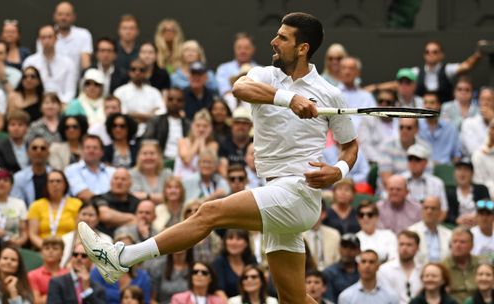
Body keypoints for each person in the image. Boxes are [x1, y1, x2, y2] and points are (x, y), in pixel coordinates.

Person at [79, 12, 358, 304]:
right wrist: (290, 99)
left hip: (298, 193)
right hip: (276, 190)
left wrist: (337, 172)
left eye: (283, 38)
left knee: (209, 212)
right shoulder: (264, 76)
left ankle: (122, 257)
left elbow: (350, 146)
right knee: (293, 299)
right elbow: (240, 88)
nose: (273, 41)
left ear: (303, 48)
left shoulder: (329, 93)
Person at [27, 170, 82, 249]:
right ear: (46, 185)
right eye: (51, 181)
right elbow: (32, 234)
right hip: (42, 250)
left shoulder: (77, 204)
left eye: (58, 181)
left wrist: (66, 249)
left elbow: (79, 233)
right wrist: (47, 249)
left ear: (65, 184)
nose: (55, 184)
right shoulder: (36, 205)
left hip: (69, 249)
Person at [90, 234, 151, 304]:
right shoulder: (98, 271)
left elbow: (146, 301)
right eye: (120, 249)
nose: (124, 253)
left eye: (128, 249)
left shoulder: (143, 277)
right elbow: (93, 297)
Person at [23, 24, 76, 103]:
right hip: (36, 105)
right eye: (43, 38)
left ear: (56, 38)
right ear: (39, 40)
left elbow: (70, 91)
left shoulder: (68, 63)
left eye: (50, 37)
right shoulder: (30, 62)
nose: (47, 41)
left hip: (61, 104)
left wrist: (62, 104)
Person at [113, 59, 166, 136]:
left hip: (151, 132)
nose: (137, 72)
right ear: (129, 72)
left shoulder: (154, 92)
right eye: (133, 69)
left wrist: (134, 114)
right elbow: (122, 114)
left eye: (141, 70)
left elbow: (162, 112)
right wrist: (149, 115)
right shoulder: (120, 92)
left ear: (146, 73)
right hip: (127, 133)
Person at [378, 118, 432, 191]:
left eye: (409, 128)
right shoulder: (386, 146)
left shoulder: (425, 147)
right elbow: (386, 180)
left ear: (417, 130)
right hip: (391, 192)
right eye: (401, 127)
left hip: (419, 191)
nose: (404, 131)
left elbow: (428, 176)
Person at [60, 200, 112, 268]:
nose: (87, 218)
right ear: (77, 216)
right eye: (84, 214)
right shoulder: (65, 238)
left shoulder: (106, 240)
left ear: (98, 219)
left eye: (91, 215)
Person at [143, 87, 190, 160]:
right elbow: (147, 140)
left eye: (179, 100)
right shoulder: (156, 121)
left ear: (184, 103)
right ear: (166, 101)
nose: (175, 103)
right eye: (171, 99)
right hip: (160, 159)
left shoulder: (188, 124)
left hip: (183, 160)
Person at [65, 134, 116, 202]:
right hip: (84, 209)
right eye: (88, 147)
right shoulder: (71, 170)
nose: (91, 151)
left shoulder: (112, 172)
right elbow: (83, 194)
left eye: (95, 148)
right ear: (82, 150)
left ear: (102, 152)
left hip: (111, 209)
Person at [377, 230, 423, 304]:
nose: (404, 248)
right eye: (401, 244)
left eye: (409, 245)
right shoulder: (384, 270)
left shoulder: (423, 270)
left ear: (417, 248)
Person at [48, 1, 93, 77]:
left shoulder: (83, 35)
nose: (63, 18)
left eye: (67, 15)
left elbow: (86, 64)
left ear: (74, 16)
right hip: (51, 84)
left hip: (76, 83)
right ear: (54, 16)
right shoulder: (47, 35)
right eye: (60, 14)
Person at [91, 168, 140, 236]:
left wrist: (113, 221)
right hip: (101, 239)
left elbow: (140, 222)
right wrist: (131, 218)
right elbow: (105, 215)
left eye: (123, 179)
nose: (119, 182)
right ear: (111, 181)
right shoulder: (99, 198)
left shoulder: (137, 202)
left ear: (130, 184)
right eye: (116, 178)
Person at [402, 144, 449, 215]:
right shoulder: (399, 180)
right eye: (410, 159)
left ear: (425, 162)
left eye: (417, 160)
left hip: (429, 223)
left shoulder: (437, 183)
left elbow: (443, 210)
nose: (413, 163)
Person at [357, 89, 399, 164]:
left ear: (395, 105)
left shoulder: (401, 122)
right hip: (375, 164)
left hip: (400, 163)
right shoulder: (367, 120)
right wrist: (383, 162)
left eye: (388, 102)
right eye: (381, 101)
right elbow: (365, 146)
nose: (384, 104)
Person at [211, 229, 257, 297]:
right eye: (230, 238)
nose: (234, 242)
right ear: (225, 242)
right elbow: (218, 291)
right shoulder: (219, 262)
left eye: (239, 239)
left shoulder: (251, 260)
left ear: (246, 243)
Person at [174, 109, 219, 179]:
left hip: (203, 181)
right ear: (192, 126)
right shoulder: (182, 141)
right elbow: (186, 160)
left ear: (210, 128)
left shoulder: (213, 145)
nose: (201, 129)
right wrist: (197, 141)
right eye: (198, 126)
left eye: (205, 126)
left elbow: (207, 161)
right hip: (182, 180)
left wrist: (201, 144)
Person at [419, 92, 462, 164]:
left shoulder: (450, 129)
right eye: (425, 103)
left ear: (439, 105)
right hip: (421, 169)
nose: (428, 106)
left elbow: (457, 154)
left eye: (432, 103)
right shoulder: (416, 127)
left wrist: (449, 168)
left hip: (444, 169)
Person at [445, 157, 490, 226]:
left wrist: (477, 217)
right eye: (459, 169)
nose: (462, 173)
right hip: (457, 228)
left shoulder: (481, 189)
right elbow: (446, 214)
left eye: (466, 170)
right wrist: (456, 220)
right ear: (454, 174)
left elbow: (489, 206)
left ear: (472, 174)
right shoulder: (450, 193)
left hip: (479, 225)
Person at [442, 227, 481, 303]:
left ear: (472, 245)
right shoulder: (443, 267)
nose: (457, 245)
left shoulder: (481, 264)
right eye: (454, 241)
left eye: (462, 242)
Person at [408, 197, 452, 263]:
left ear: (440, 212)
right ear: (421, 211)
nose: (429, 211)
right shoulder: (410, 232)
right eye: (426, 208)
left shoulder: (449, 234)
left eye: (433, 208)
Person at [338, 56, 376, 131]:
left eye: (351, 68)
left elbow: (373, 121)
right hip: (337, 140)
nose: (347, 72)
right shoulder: (332, 93)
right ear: (339, 71)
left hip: (363, 140)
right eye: (344, 68)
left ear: (358, 72)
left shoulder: (366, 96)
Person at [461, 87, 494, 156]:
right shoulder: (468, 123)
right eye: (482, 99)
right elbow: (474, 151)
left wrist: (493, 121)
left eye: (489, 100)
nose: (485, 103)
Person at [10, 136, 51, 205]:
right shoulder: (18, 178)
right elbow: (17, 206)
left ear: (48, 153)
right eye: (34, 148)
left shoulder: (56, 176)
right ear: (28, 153)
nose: (38, 151)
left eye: (43, 148)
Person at [130, 140, 173, 204]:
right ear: (139, 156)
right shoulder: (132, 174)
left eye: (152, 153)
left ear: (159, 156)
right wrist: (160, 197)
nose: (148, 157)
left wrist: (147, 196)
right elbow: (133, 197)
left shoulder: (167, 174)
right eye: (145, 154)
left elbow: (172, 197)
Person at [28, 237, 69, 304]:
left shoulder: (68, 274)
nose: (51, 251)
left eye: (55, 248)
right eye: (47, 248)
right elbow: (36, 301)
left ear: (62, 254)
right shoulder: (32, 275)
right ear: (41, 253)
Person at [322, 233, 360, 302]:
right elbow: (329, 300)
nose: (347, 251)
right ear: (339, 249)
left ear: (358, 251)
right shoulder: (329, 272)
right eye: (344, 247)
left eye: (352, 247)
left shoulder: (364, 271)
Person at [303, 200, 341, 270]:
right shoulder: (299, 235)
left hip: (329, 275)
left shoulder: (334, 234)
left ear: (323, 214)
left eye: (314, 211)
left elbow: (338, 261)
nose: (311, 214)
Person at [218, 107, 253, 175]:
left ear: (250, 126)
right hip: (230, 181)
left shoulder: (256, 144)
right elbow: (222, 168)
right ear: (232, 125)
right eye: (237, 123)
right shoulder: (224, 144)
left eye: (244, 123)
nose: (240, 126)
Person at [0, 169, 28, 247]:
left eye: (6, 180)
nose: (1, 183)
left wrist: (18, 242)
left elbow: (24, 231)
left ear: (11, 185)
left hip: (13, 247)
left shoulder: (19, 204)